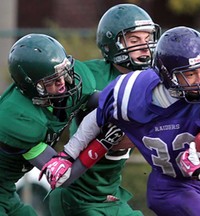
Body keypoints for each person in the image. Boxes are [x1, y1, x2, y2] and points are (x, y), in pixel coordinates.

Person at [41, 26, 200, 216]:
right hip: (170, 186)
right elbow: (95, 118)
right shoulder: (131, 92)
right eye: (191, 74)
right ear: (167, 75)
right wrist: (68, 154)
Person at [46, 4, 160, 216]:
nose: (145, 47)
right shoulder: (88, 74)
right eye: (135, 41)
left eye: (148, 39)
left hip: (108, 195)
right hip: (76, 194)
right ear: (111, 45)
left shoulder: (154, 80)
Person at [0, 33, 123, 216]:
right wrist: (103, 143)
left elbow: (96, 100)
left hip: (6, 192)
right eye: (52, 80)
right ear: (33, 86)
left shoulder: (67, 84)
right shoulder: (19, 119)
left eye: (64, 72)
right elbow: (62, 177)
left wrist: (123, 104)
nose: (62, 82)